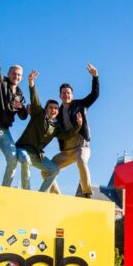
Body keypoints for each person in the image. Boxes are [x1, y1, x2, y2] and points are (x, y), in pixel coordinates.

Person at [15, 70, 81, 192]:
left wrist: (78, 126)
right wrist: (31, 82)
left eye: (56, 108)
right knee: (25, 160)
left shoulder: (56, 127)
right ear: (46, 109)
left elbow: (66, 136)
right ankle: (26, 191)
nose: (54, 110)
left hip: (37, 154)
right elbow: (34, 99)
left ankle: (41, 194)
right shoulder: (38, 113)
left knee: (54, 170)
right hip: (23, 149)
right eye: (51, 108)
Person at [0, 30, 30, 188]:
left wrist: (24, 109)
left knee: (12, 158)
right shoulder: (1, 82)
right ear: (9, 73)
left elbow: (23, 116)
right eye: (14, 73)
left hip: (5, 130)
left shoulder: (20, 92)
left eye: (19, 75)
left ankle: (5, 188)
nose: (16, 77)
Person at [47, 64, 99, 198]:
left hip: (82, 147)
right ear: (60, 95)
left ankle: (87, 192)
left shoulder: (79, 105)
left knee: (82, 161)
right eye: (63, 93)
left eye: (68, 93)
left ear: (72, 95)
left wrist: (95, 77)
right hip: (66, 152)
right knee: (45, 170)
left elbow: (94, 95)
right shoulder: (56, 113)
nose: (66, 95)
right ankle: (57, 195)